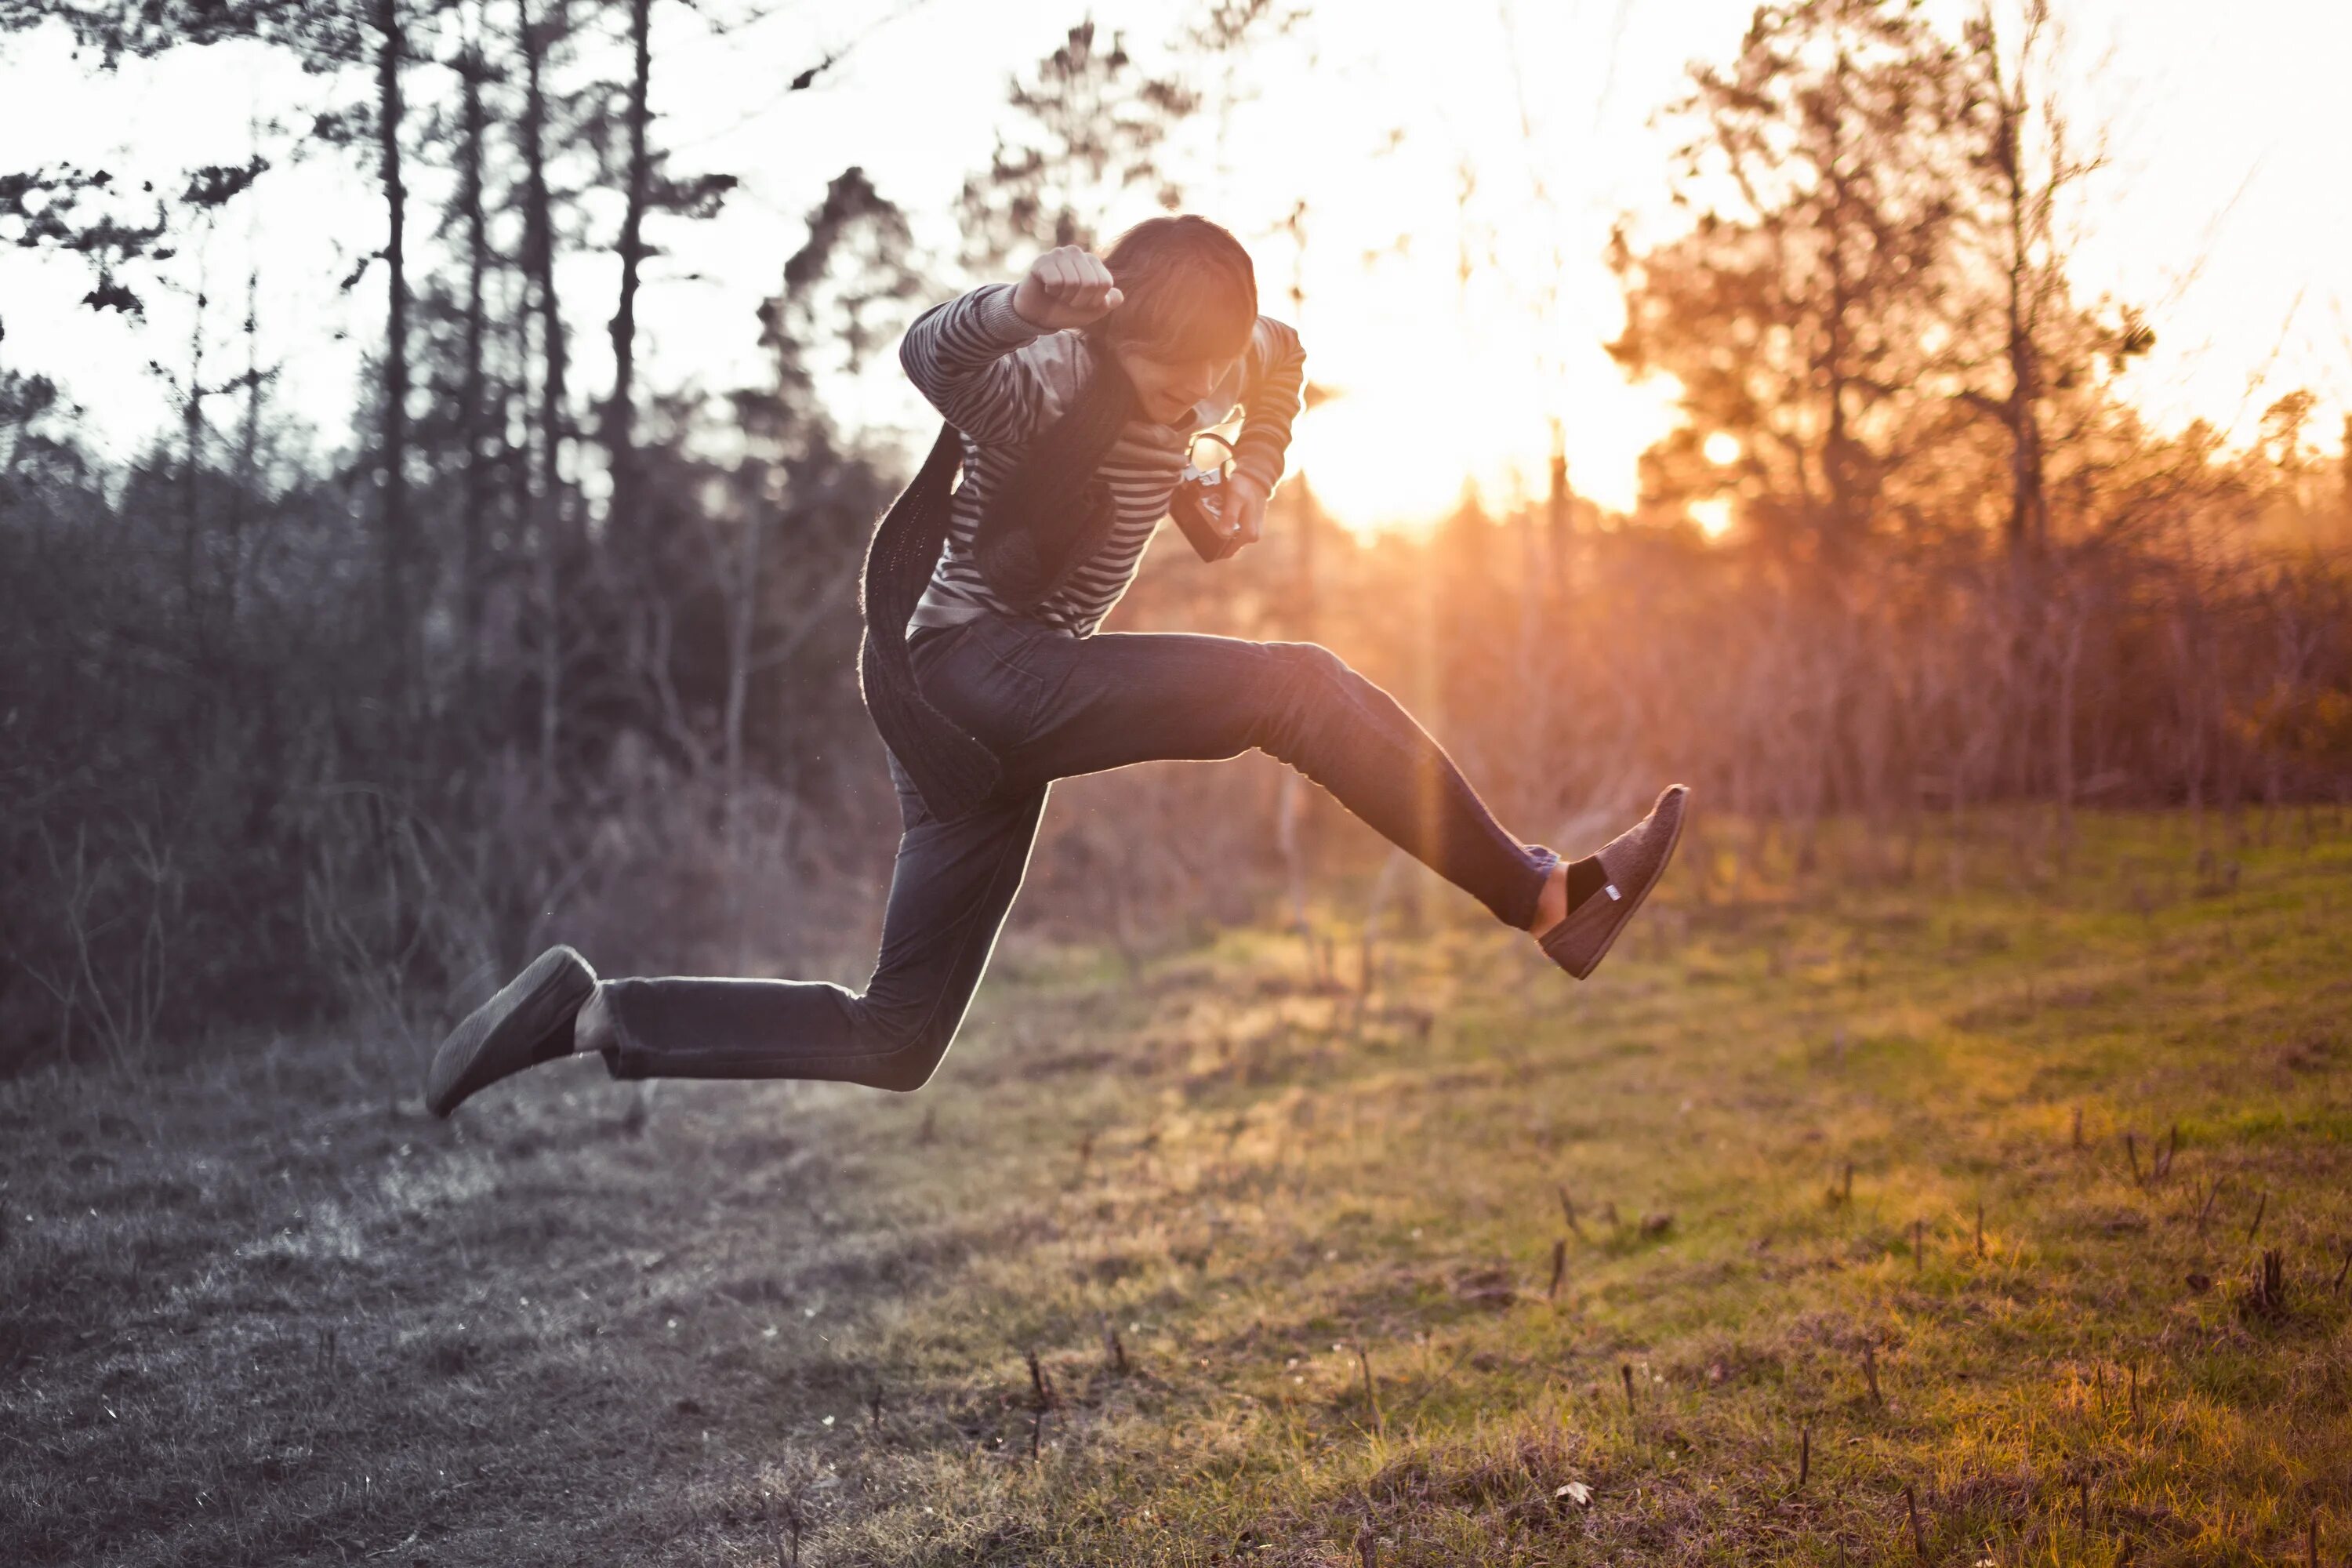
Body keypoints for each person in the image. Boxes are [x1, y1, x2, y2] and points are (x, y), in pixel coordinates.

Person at [425, 215, 1686, 1119]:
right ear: (1112, 329)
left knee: (898, 1037)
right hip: (965, 669)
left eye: (1211, 379)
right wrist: (1022, 306)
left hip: (971, 719)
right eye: (1168, 376)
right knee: (1293, 687)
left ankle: (594, 1017)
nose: (1192, 399)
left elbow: (1283, 358)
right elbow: (933, 356)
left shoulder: (1219, 363)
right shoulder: (1045, 377)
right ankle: (1543, 901)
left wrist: (1244, 475)